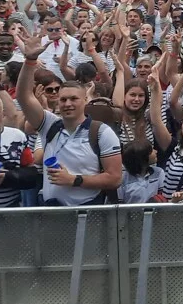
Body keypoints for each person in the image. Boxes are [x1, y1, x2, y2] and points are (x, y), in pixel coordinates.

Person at [15, 28, 122, 205]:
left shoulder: (101, 132)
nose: (68, 104)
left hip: (88, 211)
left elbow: (115, 178)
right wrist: (30, 60)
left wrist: (74, 180)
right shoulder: (50, 124)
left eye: (74, 99)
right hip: (51, 212)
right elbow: (24, 97)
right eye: (63, 99)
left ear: (85, 99)